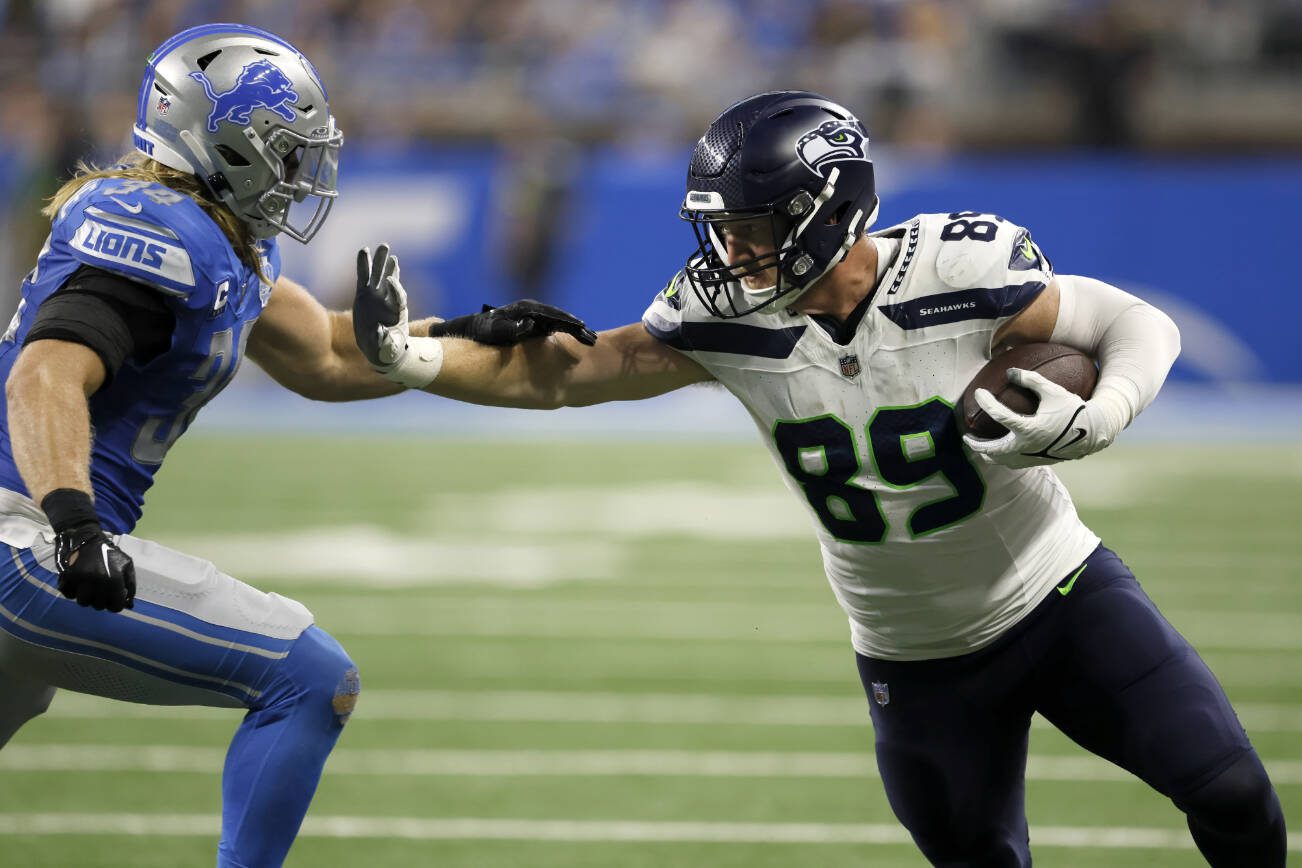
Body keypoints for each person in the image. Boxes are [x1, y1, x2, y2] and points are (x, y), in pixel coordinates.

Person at [353, 90, 1286, 866]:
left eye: (756, 231)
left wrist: (1103, 413)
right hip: (911, 655)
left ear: (832, 209)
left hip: (1058, 590)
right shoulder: (721, 313)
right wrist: (409, 356)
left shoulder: (959, 266)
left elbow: (1137, 325)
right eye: (725, 234)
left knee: (1234, 793)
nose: (736, 257)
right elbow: (568, 374)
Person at [0, 23, 592, 868]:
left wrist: (460, 333)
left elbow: (325, 357)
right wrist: (75, 525)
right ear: (217, 141)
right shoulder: (157, 228)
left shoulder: (218, 236)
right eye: (281, 150)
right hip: (27, 536)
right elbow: (44, 377)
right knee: (310, 679)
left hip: (33, 538)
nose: (299, 173)